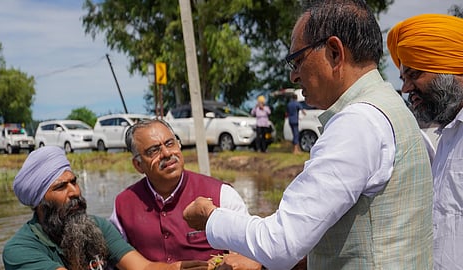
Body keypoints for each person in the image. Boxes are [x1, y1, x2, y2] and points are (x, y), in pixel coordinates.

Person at [182, 0, 434, 269]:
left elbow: (280, 244)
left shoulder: (357, 124)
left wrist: (211, 217)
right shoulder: (393, 108)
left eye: (297, 60)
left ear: (335, 53)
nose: (293, 76)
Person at [2, 146, 208, 270]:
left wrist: (177, 268)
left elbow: (143, 267)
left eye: (74, 182)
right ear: (40, 202)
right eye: (61, 187)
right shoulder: (20, 250)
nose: (74, 191)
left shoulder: (96, 226)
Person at [110, 118, 262, 270]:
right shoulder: (123, 205)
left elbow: (253, 253)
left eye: (170, 143)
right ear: (138, 165)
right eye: (154, 150)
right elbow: (116, 259)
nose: (167, 153)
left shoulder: (221, 194)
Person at [387, 13, 463, 269]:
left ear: (451, 67)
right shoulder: (447, 137)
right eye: (403, 79)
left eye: (414, 74)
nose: (406, 89)